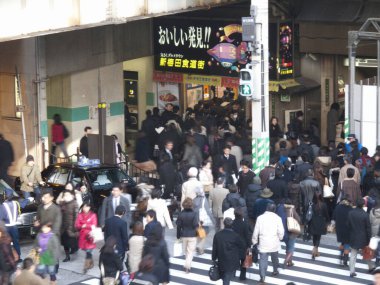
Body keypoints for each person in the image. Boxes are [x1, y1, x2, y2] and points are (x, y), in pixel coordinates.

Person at [252, 203, 285, 284]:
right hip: (274, 242)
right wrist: (280, 238)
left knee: (263, 260)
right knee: (275, 258)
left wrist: (254, 241)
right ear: (274, 210)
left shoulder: (260, 218)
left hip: (263, 242)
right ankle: (275, 270)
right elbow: (281, 231)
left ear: (266, 208)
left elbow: (256, 231)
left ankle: (262, 276)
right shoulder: (278, 218)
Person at [212, 218, 245, 285]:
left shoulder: (218, 235)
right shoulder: (235, 236)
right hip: (231, 259)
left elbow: (214, 248)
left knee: (225, 275)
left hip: (221, 258)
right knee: (227, 276)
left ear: (224, 224)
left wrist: (214, 258)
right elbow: (242, 246)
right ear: (232, 225)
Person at [347, 197, 371, 278]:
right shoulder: (365, 215)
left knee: (353, 255)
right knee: (366, 253)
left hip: (353, 236)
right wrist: (369, 239)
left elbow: (348, 225)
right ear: (363, 205)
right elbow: (368, 228)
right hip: (363, 237)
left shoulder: (351, 213)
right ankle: (371, 267)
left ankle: (351, 271)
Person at [176, 198, 199, 273]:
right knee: (190, 251)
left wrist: (178, 235)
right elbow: (195, 225)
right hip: (192, 234)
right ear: (191, 205)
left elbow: (178, 225)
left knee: (186, 251)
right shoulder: (194, 213)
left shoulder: (181, 214)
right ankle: (187, 266)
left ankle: (187, 264)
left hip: (184, 234)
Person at [75, 202, 97, 273]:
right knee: (87, 251)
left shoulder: (93, 215)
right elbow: (77, 225)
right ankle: (91, 262)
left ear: (90, 207)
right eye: (84, 207)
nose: (85, 208)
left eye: (87, 207)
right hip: (83, 236)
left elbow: (94, 225)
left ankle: (85, 267)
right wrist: (82, 226)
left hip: (90, 236)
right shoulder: (80, 215)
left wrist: (85, 225)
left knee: (88, 251)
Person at [0, 189, 21, 263]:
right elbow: (19, 212)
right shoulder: (16, 203)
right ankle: (18, 257)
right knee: (16, 242)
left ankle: (9, 259)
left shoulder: (3, 205)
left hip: (6, 227)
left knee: (7, 243)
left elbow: (1, 218)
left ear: (5, 196)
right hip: (14, 226)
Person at [232, 207, 252, 280]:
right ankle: (242, 276)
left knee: (234, 260)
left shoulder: (232, 223)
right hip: (243, 245)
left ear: (234, 214)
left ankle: (232, 273)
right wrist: (249, 245)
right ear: (242, 215)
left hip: (234, 245)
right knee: (244, 261)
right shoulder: (245, 224)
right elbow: (247, 236)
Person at [193, 187, 214, 255]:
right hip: (203, 220)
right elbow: (208, 211)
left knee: (198, 233)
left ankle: (198, 248)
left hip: (196, 219)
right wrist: (213, 220)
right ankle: (200, 247)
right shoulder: (204, 200)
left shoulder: (194, 200)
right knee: (203, 234)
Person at [332, 197, 353, 267]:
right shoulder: (351, 209)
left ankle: (341, 255)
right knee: (347, 244)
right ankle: (345, 261)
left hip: (339, 229)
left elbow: (334, 217)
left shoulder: (338, 207)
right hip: (348, 229)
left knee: (342, 242)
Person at [280, 199, 301, 267]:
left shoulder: (281, 210)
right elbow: (298, 219)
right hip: (292, 232)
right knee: (291, 248)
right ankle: (286, 260)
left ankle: (290, 262)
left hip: (283, 232)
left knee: (288, 247)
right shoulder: (292, 209)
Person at [308, 192, 329, 260]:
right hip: (321, 222)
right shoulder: (324, 205)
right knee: (318, 237)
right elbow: (326, 215)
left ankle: (315, 249)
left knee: (314, 236)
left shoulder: (312, 204)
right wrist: (328, 221)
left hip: (313, 221)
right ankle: (315, 249)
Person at [59, 190, 78, 262]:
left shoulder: (74, 203)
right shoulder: (62, 203)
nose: (66, 196)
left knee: (72, 242)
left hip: (71, 226)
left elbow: (76, 215)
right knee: (65, 243)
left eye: (67, 195)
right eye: (65, 195)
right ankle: (67, 256)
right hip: (63, 226)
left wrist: (75, 226)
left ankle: (75, 248)